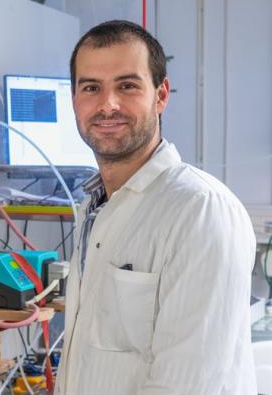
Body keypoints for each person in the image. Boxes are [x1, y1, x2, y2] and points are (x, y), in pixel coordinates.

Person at [55, 20, 256, 394]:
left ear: (161, 95)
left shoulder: (199, 210)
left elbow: (187, 384)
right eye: (91, 88)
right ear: (74, 100)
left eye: (127, 86)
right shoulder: (96, 206)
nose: (107, 104)